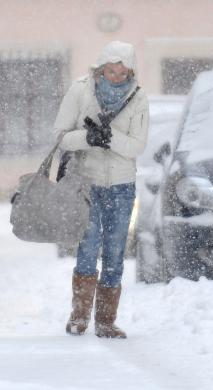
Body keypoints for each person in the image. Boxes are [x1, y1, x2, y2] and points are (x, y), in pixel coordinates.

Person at [53, 41, 149, 339]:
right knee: (87, 247)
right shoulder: (80, 90)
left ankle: (106, 321)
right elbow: (60, 137)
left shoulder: (139, 98)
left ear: (131, 71)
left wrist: (110, 138)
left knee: (116, 252)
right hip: (87, 183)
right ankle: (79, 316)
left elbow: (137, 145)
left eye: (123, 72)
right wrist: (88, 138)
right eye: (111, 70)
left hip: (121, 186)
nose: (117, 77)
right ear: (100, 68)